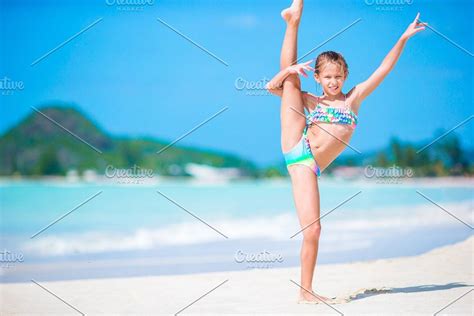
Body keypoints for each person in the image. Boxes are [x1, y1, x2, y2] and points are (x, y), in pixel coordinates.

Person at [265, 0, 427, 304]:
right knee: (290, 81)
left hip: (311, 164)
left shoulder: (352, 100)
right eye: (327, 77)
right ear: (318, 77)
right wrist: (287, 70)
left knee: (314, 231)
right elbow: (272, 88)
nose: (333, 81)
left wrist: (403, 37)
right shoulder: (314, 100)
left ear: (346, 75)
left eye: (338, 76)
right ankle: (306, 292)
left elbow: (384, 68)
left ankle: (293, 19)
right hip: (299, 152)